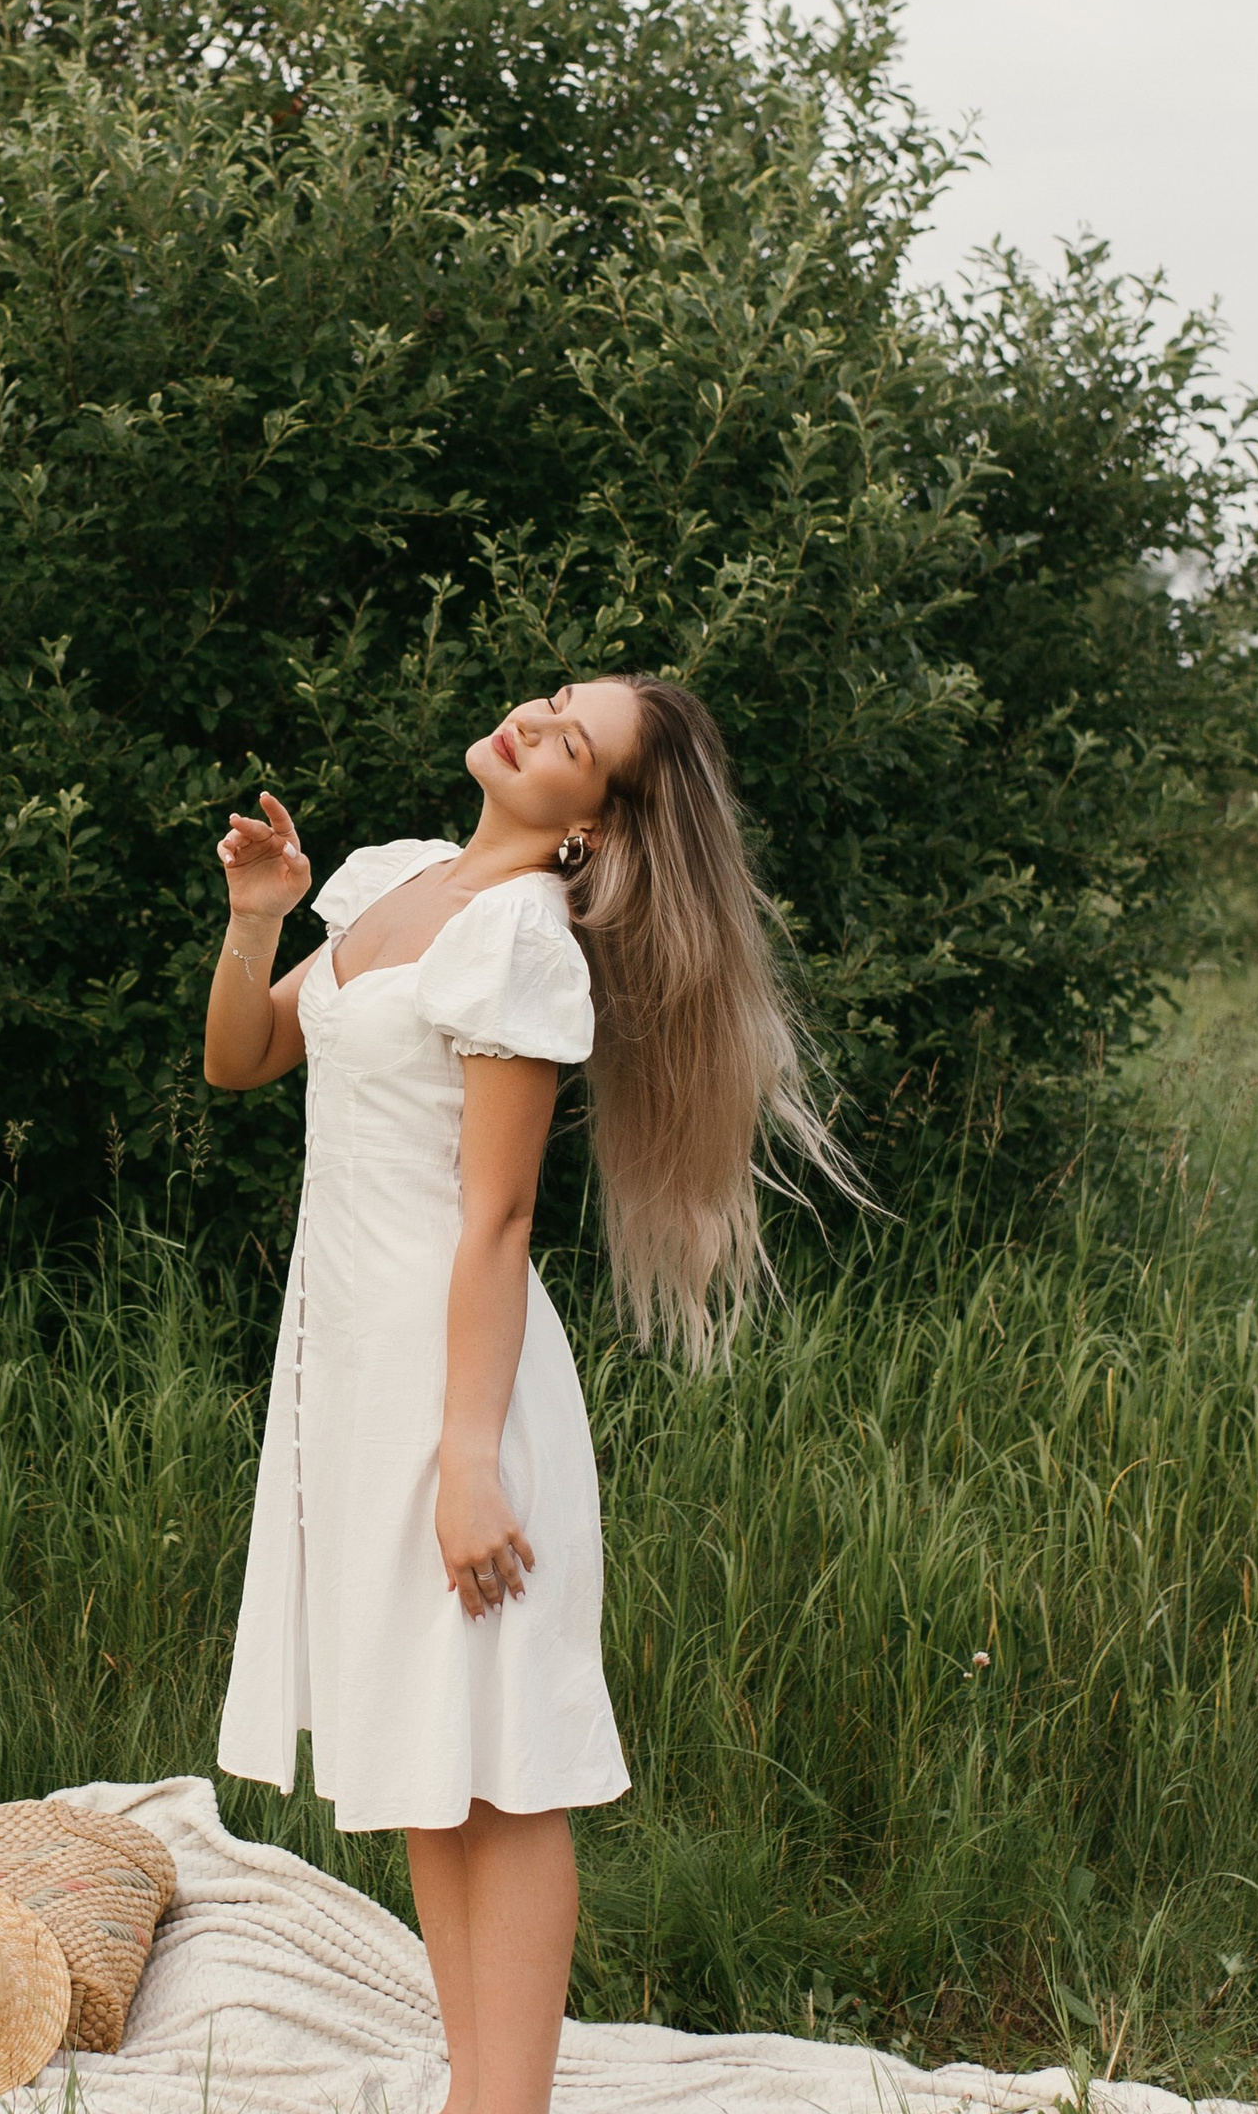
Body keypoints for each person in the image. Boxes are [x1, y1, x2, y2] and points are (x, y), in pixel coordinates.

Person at [201, 675, 853, 2114]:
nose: (538, 724)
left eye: (577, 744)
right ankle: (475, 2096)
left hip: (462, 1395)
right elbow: (242, 1058)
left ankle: (510, 2103)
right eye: (555, 701)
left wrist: (468, 1461)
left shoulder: (518, 944)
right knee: (421, 1753)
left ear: (598, 828)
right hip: (362, 1377)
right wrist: (260, 916)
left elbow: (495, 1222)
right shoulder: (397, 884)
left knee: (504, 1769)